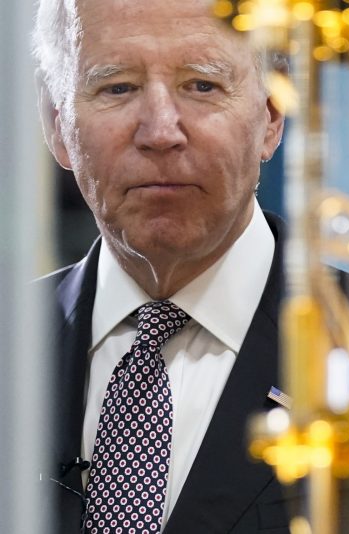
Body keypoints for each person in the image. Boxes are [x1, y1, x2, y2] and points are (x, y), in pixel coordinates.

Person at [33, 0, 298, 531]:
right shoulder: (13, 345)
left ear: (270, 115)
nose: (160, 131)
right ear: (58, 123)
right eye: (118, 88)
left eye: (201, 85)